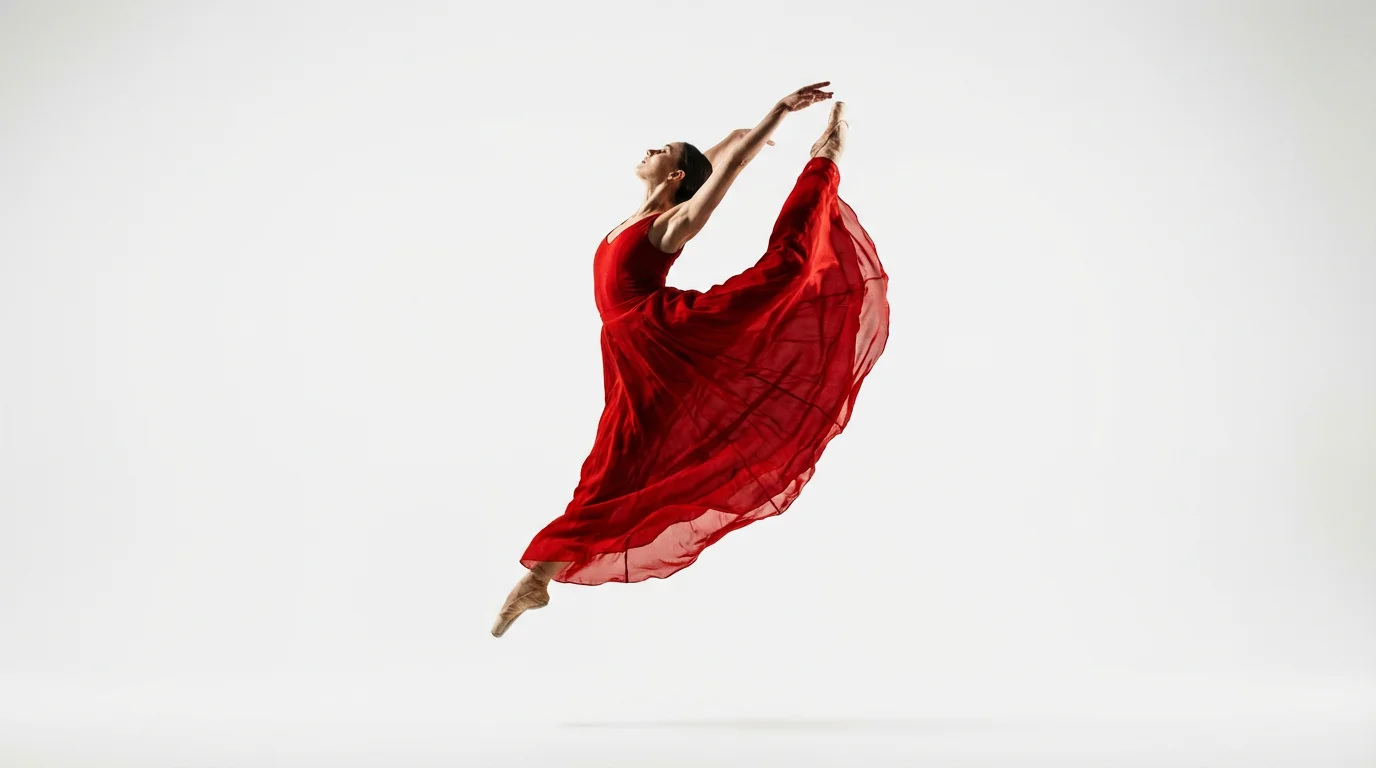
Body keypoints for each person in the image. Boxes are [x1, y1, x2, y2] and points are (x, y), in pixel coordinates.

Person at [492, 81, 889, 637]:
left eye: (663, 150)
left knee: (784, 273)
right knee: (616, 459)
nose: (650, 150)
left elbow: (721, 176)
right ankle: (541, 577)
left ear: (675, 177)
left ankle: (826, 161)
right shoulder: (636, 214)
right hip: (630, 349)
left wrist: (778, 114)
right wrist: (740, 135)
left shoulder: (669, 225)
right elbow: (721, 153)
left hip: (663, 336)